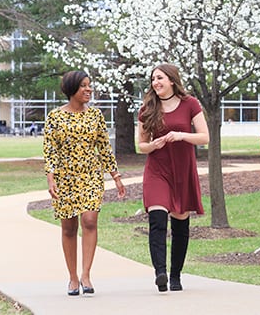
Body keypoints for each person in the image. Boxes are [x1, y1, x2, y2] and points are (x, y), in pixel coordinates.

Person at [43, 70, 126, 296]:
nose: (89, 89)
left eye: (89, 85)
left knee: (89, 220)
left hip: (90, 175)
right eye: (84, 86)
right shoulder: (54, 117)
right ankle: (72, 278)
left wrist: (115, 176)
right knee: (69, 227)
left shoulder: (96, 116)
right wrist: (50, 177)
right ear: (72, 89)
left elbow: (104, 148)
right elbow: (50, 149)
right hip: (65, 178)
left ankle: (86, 275)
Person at [137, 63, 209, 292]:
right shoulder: (148, 108)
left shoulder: (190, 104)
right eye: (152, 79)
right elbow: (140, 146)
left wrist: (181, 135)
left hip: (182, 170)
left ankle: (176, 275)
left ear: (171, 80)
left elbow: (204, 137)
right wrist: (152, 145)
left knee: (180, 223)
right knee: (157, 219)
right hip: (157, 170)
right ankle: (161, 273)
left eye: (159, 78)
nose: (155, 83)